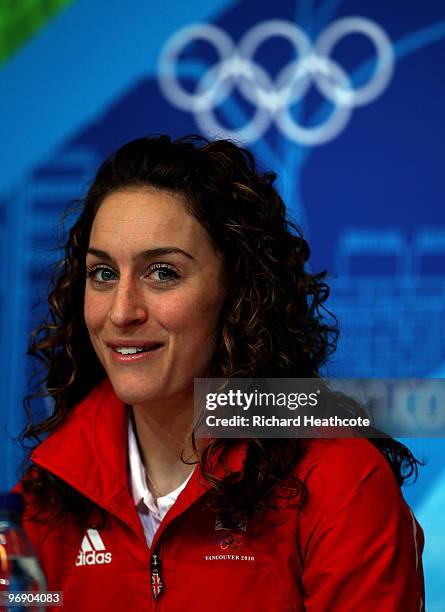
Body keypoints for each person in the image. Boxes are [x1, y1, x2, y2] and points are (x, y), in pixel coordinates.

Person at [17, 135, 425, 611]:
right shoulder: (42, 503)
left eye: (163, 272)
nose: (122, 311)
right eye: (103, 274)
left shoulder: (339, 481)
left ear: (238, 292)